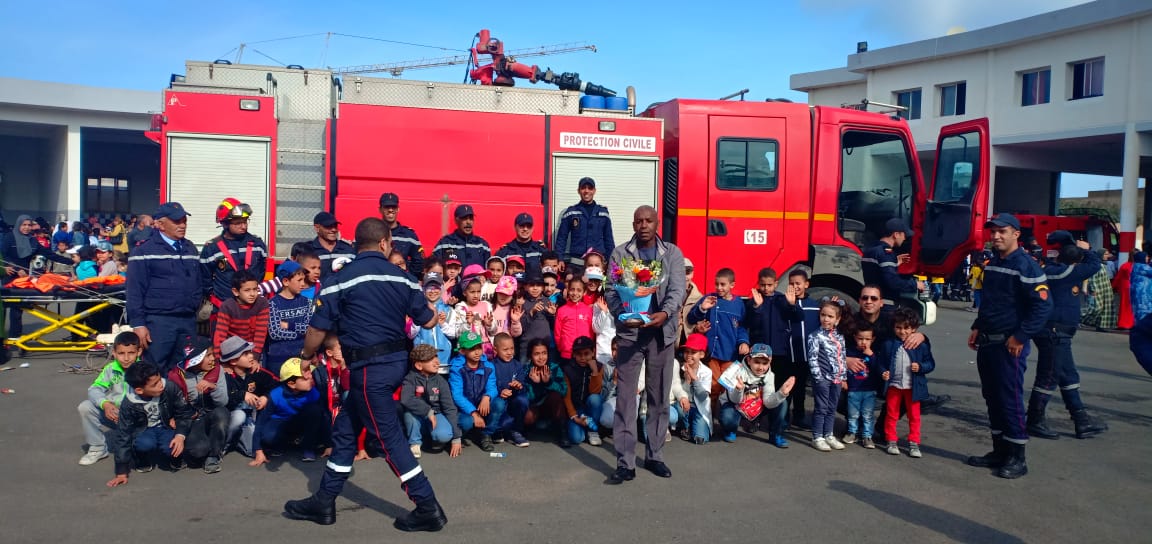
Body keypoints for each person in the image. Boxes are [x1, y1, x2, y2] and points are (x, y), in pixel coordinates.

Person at [285, 217, 446, 531]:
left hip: (367, 369)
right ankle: (324, 501)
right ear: (385, 243)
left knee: (389, 440)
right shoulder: (404, 279)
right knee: (345, 433)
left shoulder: (340, 279)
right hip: (392, 366)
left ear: (358, 245)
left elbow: (318, 327)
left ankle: (428, 506)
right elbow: (427, 322)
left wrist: (305, 357)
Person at [603, 205, 686, 483]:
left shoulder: (672, 253)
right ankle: (625, 462)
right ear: (633, 223)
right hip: (630, 334)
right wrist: (621, 314)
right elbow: (611, 289)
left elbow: (677, 289)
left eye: (649, 220)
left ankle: (655, 455)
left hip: (661, 334)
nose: (644, 225)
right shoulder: (620, 253)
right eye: (638, 221)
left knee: (659, 398)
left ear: (657, 223)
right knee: (626, 399)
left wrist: (664, 314)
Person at [966, 213, 1052, 480]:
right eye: (992, 232)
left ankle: (1017, 457)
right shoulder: (993, 263)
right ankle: (999, 451)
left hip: (1009, 345)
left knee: (1010, 399)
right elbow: (991, 302)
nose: (996, 236)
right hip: (988, 341)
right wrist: (978, 325)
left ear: (1016, 234)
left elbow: (1043, 306)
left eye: (1002, 231)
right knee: (991, 396)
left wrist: (1021, 336)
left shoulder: (1027, 266)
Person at [1027, 232, 1108, 440]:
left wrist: (1070, 244)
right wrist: (1084, 249)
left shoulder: (1052, 269)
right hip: (1055, 332)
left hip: (1057, 332)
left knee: (1068, 376)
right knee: (1048, 376)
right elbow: (1094, 264)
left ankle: (1081, 420)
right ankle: (1034, 420)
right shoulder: (1065, 273)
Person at [126, 202, 204, 373]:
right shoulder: (143, 251)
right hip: (158, 322)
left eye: (184, 221)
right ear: (160, 224)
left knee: (186, 369)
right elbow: (134, 290)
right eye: (177, 222)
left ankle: (179, 399)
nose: (182, 225)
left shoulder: (189, 248)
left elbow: (197, 281)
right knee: (155, 370)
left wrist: (195, 305)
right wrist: (138, 323)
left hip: (187, 320)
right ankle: (156, 401)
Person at [105, 361, 196, 487]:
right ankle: (141, 459)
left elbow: (184, 414)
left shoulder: (169, 387)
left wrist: (180, 435)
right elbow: (123, 434)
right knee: (144, 444)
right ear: (139, 390)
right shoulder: (129, 403)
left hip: (166, 426)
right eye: (155, 384)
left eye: (159, 379)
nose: (160, 385)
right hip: (144, 430)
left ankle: (175, 459)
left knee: (172, 447)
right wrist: (121, 471)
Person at [746, 267, 800, 446]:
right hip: (759, 354)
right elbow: (749, 322)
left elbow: (798, 318)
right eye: (763, 284)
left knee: (777, 390)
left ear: (776, 284)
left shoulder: (782, 300)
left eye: (770, 285)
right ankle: (754, 418)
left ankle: (776, 429)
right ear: (758, 284)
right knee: (756, 389)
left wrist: (792, 304)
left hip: (779, 353)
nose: (766, 288)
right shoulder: (755, 300)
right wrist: (757, 307)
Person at [687, 268, 751, 405]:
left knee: (728, 387)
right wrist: (702, 308)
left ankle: (725, 418)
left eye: (723, 284)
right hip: (712, 354)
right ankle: (711, 418)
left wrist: (744, 342)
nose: (719, 288)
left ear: (732, 285)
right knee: (712, 388)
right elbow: (691, 318)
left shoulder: (738, 303)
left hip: (730, 354)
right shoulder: (709, 299)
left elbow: (742, 327)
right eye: (717, 284)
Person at [878, 307, 935, 458]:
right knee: (891, 414)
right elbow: (880, 362)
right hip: (894, 387)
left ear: (914, 328)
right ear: (893, 327)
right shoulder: (888, 344)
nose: (902, 331)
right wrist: (883, 372)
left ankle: (914, 442)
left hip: (913, 388)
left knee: (914, 416)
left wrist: (921, 367)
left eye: (906, 328)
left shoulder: (920, 345)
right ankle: (891, 440)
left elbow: (931, 363)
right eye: (898, 327)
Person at [77, 331, 141, 466]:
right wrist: (105, 403)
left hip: (138, 418)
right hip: (114, 414)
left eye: (131, 353)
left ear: (139, 352)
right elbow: (94, 389)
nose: (126, 358)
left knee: (141, 448)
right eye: (121, 353)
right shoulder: (110, 369)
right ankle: (98, 448)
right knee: (85, 406)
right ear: (114, 353)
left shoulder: (144, 369)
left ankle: (136, 445)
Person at [167, 336, 229, 473]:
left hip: (210, 414)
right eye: (208, 355)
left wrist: (213, 388)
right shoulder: (175, 376)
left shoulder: (217, 370)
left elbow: (223, 402)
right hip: (190, 419)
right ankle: (191, 451)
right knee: (198, 451)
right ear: (195, 358)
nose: (213, 358)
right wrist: (171, 417)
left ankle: (213, 455)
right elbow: (170, 403)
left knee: (222, 413)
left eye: (213, 354)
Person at [249, 358, 325, 466]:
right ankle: (283, 444)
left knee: (315, 411)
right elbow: (261, 422)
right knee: (268, 437)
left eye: (310, 374)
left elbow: (324, 417)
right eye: (304, 378)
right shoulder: (276, 395)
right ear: (291, 384)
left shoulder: (312, 392)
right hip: (280, 422)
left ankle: (308, 447)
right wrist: (258, 450)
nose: (310, 378)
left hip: (300, 422)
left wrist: (329, 444)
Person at [716, 344, 793, 444]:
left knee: (782, 403)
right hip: (736, 405)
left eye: (764, 363)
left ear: (770, 362)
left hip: (756, 407)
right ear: (749, 360)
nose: (760, 367)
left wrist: (781, 393)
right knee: (727, 417)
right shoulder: (737, 371)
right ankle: (730, 430)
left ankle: (775, 435)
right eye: (757, 362)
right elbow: (734, 400)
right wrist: (738, 389)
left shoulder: (769, 376)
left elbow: (768, 402)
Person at [201, 198, 269, 310]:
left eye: (245, 221)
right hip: (224, 309)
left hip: (253, 309)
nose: (243, 226)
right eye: (238, 223)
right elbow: (205, 279)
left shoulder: (257, 244)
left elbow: (263, 271)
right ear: (224, 224)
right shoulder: (212, 248)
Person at [401, 344, 462, 459]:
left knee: (444, 435)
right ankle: (415, 443)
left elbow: (449, 407)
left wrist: (456, 437)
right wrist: (427, 411)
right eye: (430, 359)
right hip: (418, 414)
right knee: (409, 415)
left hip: (436, 413)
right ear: (419, 365)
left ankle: (432, 437)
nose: (437, 362)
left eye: (436, 357)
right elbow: (406, 398)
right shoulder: (410, 378)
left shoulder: (440, 381)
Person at [220, 335, 278, 458]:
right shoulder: (223, 374)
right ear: (233, 361)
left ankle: (238, 440)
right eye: (245, 354)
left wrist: (265, 397)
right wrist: (242, 395)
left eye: (250, 352)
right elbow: (221, 396)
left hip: (251, 417)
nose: (251, 356)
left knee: (255, 450)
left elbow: (276, 384)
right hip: (230, 418)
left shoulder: (255, 371)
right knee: (239, 416)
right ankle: (224, 443)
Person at [448, 331, 503, 453]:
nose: (477, 351)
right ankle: (464, 434)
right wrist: (473, 412)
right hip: (465, 409)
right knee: (466, 422)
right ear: (462, 351)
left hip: (482, 404)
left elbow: (492, 387)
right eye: (472, 349)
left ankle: (486, 435)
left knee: (499, 403)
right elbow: (457, 395)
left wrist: (487, 397)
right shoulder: (457, 368)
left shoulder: (488, 366)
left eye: (479, 347)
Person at [807, 299, 848, 452]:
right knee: (821, 408)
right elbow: (812, 358)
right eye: (823, 315)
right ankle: (817, 436)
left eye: (830, 316)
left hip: (836, 379)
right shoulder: (815, 336)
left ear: (837, 320)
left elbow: (842, 356)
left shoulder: (839, 337)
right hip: (823, 379)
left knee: (832, 407)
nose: (826, 319)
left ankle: (828, 434)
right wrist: (819, 378)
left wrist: (843, 377)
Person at [785, 269, 822, 429]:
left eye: (798, 283)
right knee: (786, 388)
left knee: (800, 388)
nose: (795, 286)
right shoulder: (785, 303)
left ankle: (799, 416)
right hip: (788, 354)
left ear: (806, 284)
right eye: (791, 283)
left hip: (806, 355)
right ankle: (783, 417)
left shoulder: (815, 306)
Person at [555, 177, 614, 270]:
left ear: (594, 191)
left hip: (597, 265)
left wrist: (611, 262)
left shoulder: (603, 213)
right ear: (578, 190)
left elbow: (609, 240)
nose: (586, 191)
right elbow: (561, 238)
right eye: (583, 188)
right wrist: (559, 259)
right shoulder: (571, 212)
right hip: (576, 264)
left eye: (590, 188)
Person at [265, 261, 313, 376]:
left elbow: (310, 329)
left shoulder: (306, 302)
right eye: (299, 280)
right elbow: (275, 333)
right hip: (278, 359)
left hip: (301, 357)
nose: (303, 284)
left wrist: (289, 326)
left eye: (304, 280)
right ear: (286, 281)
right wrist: (300, 334)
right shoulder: (272, 304)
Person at [862, 217, 925, 303]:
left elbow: (876, 272)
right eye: (904, 235)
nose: (904, 238)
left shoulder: (871, 249)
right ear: (896, 234)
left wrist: (894, 263)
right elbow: (893, 282)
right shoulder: (887, 253)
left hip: (872, 299)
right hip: (885, 302)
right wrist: (915, 284)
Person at [212, 270, 270, 362]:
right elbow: (220, 334)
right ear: (235, 291)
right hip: (232, 351)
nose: (252, 294)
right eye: (247, 290)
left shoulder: (262, 303)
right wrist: (218, 359)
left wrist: (255, 358)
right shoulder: (227, 306)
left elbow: (261, 333)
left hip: (253, 350)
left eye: (255, 289)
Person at [561, 336, 605, 448]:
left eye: (586, 354)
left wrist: (594, 372)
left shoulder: (598, 367)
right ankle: (583, 426)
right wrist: (575, 417)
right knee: (577, 438)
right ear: (574, 354)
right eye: (579, 354)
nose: (583, 358)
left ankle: (592, 431)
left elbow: (596, 391)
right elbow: (566, 396)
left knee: (595, 398)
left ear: (593, 352)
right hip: (577, 409)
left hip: (590, 408)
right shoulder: (568, 369)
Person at [490, 332, 531, 447]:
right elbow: (489, 386)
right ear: (495, 349)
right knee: (500, 411)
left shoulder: (517, 365)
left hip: (512, 401)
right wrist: (500, 391)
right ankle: (497, 430)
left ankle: (516, 431)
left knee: (523, 400)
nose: (509, 352)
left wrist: (519, 386)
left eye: (512, 348)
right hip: (499, 402)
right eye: (505, 349)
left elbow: (522, 383)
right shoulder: (491, 365)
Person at [843, 322, 879, 449]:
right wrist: (843, 380)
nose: (864, 342)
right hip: (853, 389)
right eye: (860, 338)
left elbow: (878, 369)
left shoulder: (874, 354)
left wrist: (872, 356)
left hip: (869, 390)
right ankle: (852, 432)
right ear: (854, 337)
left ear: (873, 339)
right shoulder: (849, 352)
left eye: (867, 339)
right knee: (853, 414)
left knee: (867, 414)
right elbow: (842, 367)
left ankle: (867, 436)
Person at [671, 333, 712, 444]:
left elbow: (703, 397)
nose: (689, 355)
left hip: (699, 409)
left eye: (693, 352)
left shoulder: (707, 372)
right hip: (683, 405)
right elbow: (676, 391)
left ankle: (695, 426)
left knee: (700, 439)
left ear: (702, 355)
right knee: (679, 408)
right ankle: (685, 426)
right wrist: (686, 380)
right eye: (687, 351)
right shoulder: (679, 368)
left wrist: (694, 379)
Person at [409, 272, 454, 368]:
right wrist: (419, 319)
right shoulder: (416, 308)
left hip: (444, 360)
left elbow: (453, 334)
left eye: (436, 287)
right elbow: (411, 335)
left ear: (441, 289)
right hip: (423, 361)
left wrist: (443, 324)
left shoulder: (448, 309)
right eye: (429, 287)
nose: (433, 291)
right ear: (423, 289)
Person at [378, 193, 424, 277]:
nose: (390, 210)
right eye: (387, 207)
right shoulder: (372, 233)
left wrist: (406, 277)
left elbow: (419, 262)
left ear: (398, 209)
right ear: (380, 209)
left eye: (393, 207)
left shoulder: (409, 235)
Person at [433, 204, 491, 269]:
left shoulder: (483, 245)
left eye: (471, 218)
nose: (468, 222)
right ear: (456, 220)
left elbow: (489, 272)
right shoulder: (444, 243)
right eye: (464, 218)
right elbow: (435, 270)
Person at [555, 277, 594, 363]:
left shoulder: (588, 310)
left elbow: (591, 331)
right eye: (572, 289)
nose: (575, 293)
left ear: (584, 292)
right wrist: (562, 348)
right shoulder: (562, 310)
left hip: (584, 353)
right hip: (567, 353)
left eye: (579, 290)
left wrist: (590, 347)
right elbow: (557, 332)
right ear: (568, 290)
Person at [309, 212, 356, 283]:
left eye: (335, 226)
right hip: (317, 293)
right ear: (317, 228)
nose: (334, 230)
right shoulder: (308, 250)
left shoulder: (349, 250)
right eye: (328, 226)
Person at [1129, 252, 1152, 376]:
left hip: (1141, 297)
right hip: (1144, 298)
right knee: (1144, 321)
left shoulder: (1136, 266)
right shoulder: (1142, 267)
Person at [678, 258, 703, 346]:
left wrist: (698, 328)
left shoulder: (699, 298)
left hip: (689, 347)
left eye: (687, 273)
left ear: (692, 274)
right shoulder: (666, 295)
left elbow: (698, 325)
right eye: (681, 274)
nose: (684, 277)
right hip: (669, 346)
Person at [1114, 252, 1137, 330]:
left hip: (1125, 286)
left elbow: (1118, 277)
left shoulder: (1125, 266)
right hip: (1135, 286)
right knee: (1132, 306)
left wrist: (1113, 286)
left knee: (1124, 305)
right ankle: (1131, 323)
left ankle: (1123, 323)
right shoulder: (1139, 266)